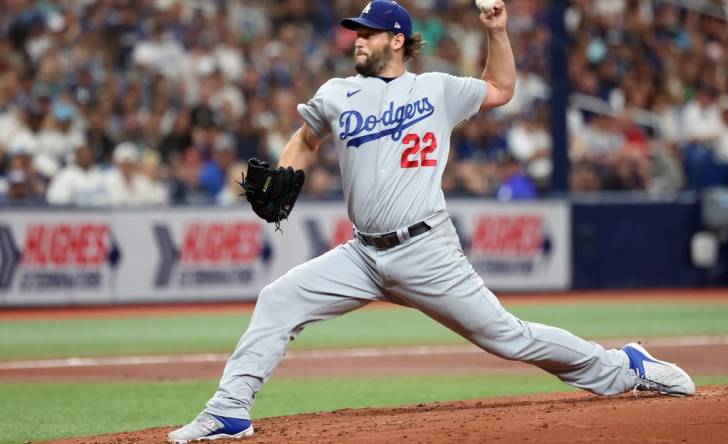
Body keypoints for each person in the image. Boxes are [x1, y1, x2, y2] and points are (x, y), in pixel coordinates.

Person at [168, 2, 695, 442]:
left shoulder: (437, 89)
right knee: (278, 299)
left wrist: (497, 32)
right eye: (355, 31)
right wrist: (285, 171)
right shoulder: (335, 92)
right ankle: (230, 409)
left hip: (425, 250)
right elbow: (306, 139)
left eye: (368, 32)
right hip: (362, 254)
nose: (357, 39)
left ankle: (625, 367)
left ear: (396, 40)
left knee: (509, 338)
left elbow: (501, 88)